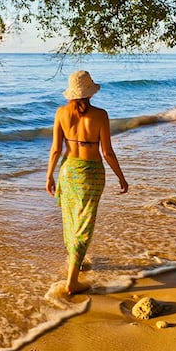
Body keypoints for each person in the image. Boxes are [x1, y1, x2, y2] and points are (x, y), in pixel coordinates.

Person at [46, 70, 128, 294]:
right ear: (90, 92)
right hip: (91, 172)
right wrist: (121, 176)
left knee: (71, 219)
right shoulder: (100, 115)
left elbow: (55, 149)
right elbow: (108, 152)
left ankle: (77, 262)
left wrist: (49, 175)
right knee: (85, 222)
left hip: (68, 171)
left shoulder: (61, 113)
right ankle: (72, 280)